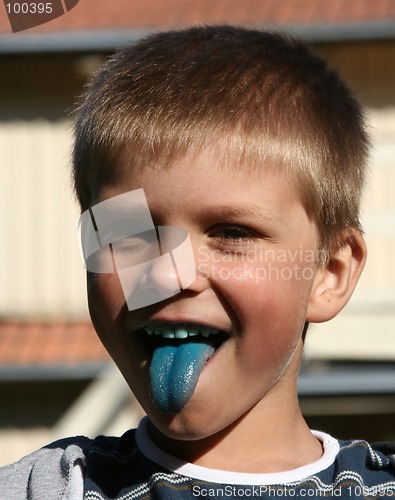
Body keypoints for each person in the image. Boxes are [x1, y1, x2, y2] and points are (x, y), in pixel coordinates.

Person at [1, 25, 394, 499]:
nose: (167, 274)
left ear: (327, 273)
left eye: (231, 233)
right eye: (129, 233)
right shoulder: (44, 488)